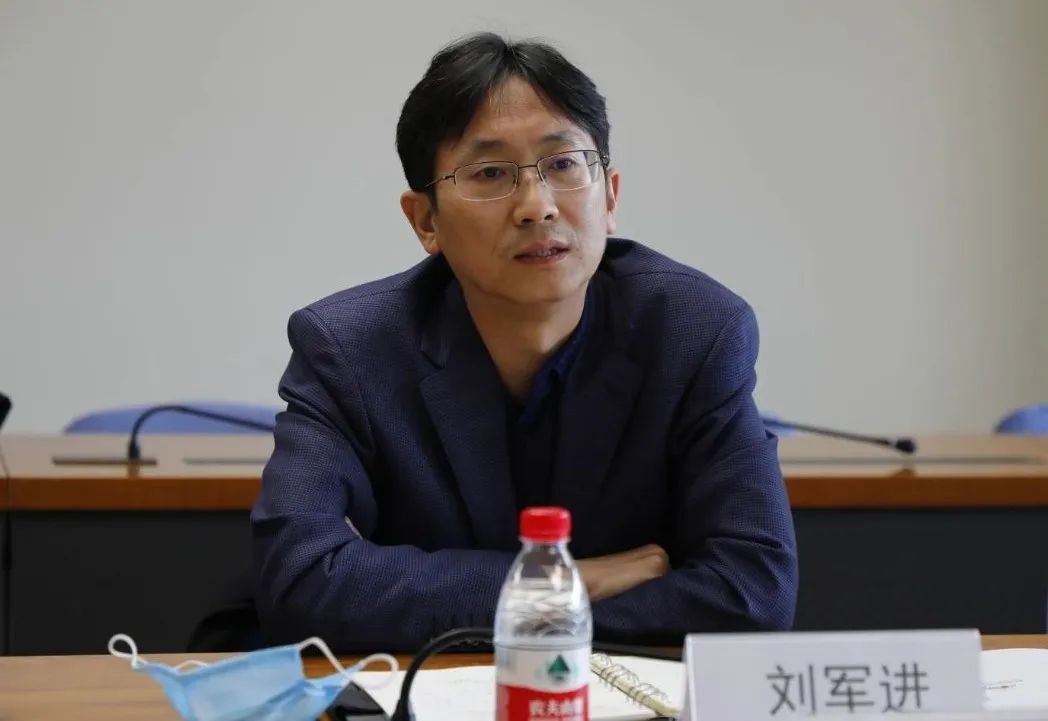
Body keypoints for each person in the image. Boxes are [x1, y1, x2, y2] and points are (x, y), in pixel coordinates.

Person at [252, 32, 797, 651]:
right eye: (490, 174)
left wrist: (494, 613)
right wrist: (563, 586)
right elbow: (300, 583)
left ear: (609, 196)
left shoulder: (694, 332)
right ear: (425, 220)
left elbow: (752, 593)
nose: (537, 207)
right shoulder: (349, 349)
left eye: (563, 165)